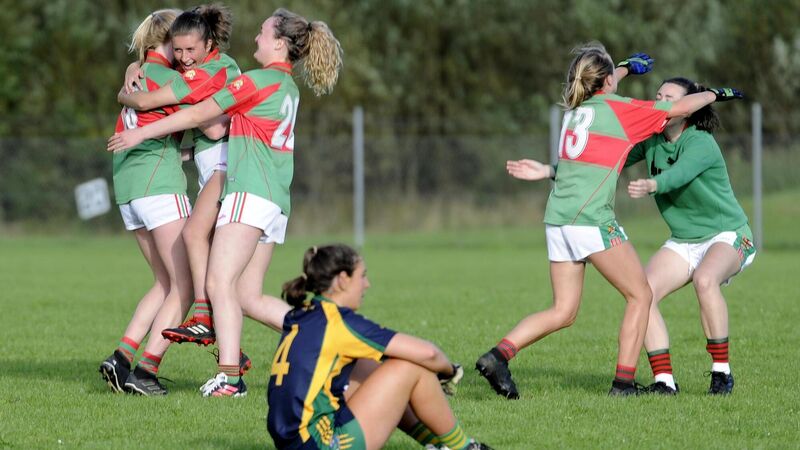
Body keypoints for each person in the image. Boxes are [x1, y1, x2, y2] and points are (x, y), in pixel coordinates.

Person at [474, 42, 744, 398]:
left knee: (563, 311)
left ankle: (498, 356)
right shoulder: (620, 110)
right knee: (640, 295)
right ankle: (623, 384)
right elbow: (679, 107)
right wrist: (712, 93)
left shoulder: (579, 106)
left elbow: (600, 81)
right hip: (590, 219)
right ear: (607, 85)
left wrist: (624, 68)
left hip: (558, 219)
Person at [107, 8, 343, 397]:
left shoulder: (257, 80)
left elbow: (204, 114)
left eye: (264, 34)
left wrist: (138, 133)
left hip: (249, 191)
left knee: (216, 280)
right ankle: (325, 334)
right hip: (276, 198)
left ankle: (228, 373)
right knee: (246, 296)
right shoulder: (287, 88)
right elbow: (223, 127)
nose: (256, 39)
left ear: (280, 43)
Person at [116, 5, 288, 378]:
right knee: (244, 295)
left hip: (230, 170)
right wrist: (135, 69)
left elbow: (209, 129)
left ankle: (203, 319)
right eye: (177, 51)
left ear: (207, 42)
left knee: (195, 238)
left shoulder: (215, 70)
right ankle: (293, 336)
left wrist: (126, 94)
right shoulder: (203, 67)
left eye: (189, 50)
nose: (183, 58)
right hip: (231, 175)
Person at [266, 244, 491, 450]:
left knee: (366, 365)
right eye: (362, 276)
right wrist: (450, 371)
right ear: (343, 279)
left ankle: (437, 444)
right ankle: (465, 447)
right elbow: (428, 353)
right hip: (319, 443)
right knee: (409, 367)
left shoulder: (302, 313)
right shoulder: (337, 321)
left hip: (294, 441)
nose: (367, 284)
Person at [625, 77, 755, 395]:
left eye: (670, 97)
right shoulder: (652, 139)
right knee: (642, 295)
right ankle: (664, 381)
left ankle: (721, 373)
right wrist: (558, 170)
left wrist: (653, 185)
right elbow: (611, 160)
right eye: (658, 96)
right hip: (684, 239)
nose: (660, 102)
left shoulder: (700, 141)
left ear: (688, 108)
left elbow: (678, 175)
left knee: (705, 280)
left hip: (727, 234)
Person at [98, 8, 197, 396]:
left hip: (128, 189)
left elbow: (155, 135)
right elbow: (205, 116)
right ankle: (146, 371)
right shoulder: (171, 79)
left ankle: (121, 359)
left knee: (163, 281)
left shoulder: (139, 73)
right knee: (186, 287)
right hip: (159, 187)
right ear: (172, 41)